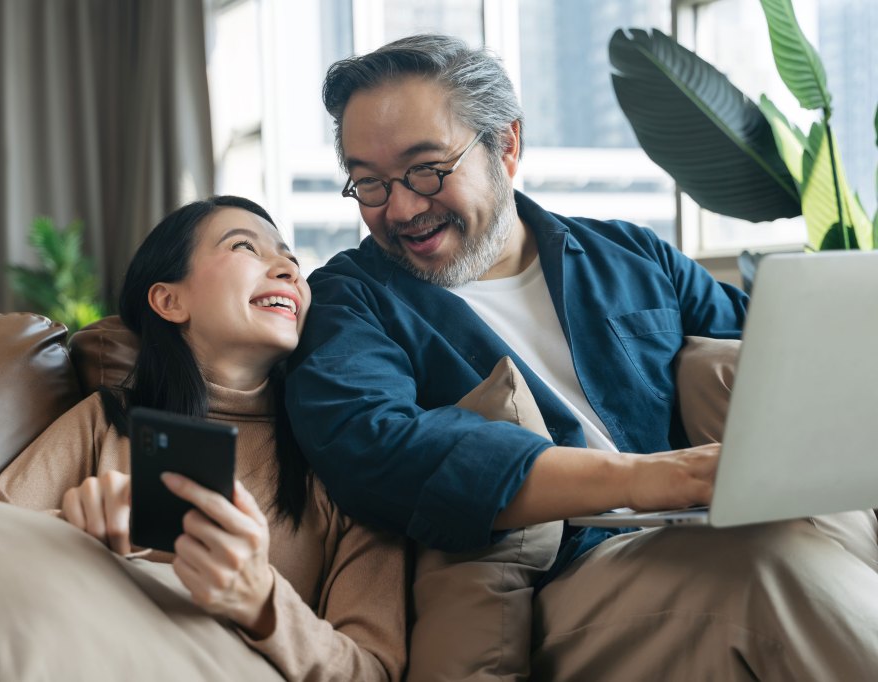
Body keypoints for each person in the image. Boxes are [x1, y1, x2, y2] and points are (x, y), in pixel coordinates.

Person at [285, 34, 878, 680]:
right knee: (771, 571)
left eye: (426, 169)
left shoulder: (628, 255)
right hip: (562, 581)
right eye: (368, 184)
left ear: (505, 146)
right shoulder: (351, 303)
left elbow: (774, 361)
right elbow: (374, 444)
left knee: (799, 540)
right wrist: (642, 478)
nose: (399, 208)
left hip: (710, 536)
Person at [0, 196, 406, 682]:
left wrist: (259, 598)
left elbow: (370, 670)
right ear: (169, 301)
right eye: (246, 247)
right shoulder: (108, 420)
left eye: (289, 255)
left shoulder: (347, 451)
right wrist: (76, 535)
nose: (287, 267)